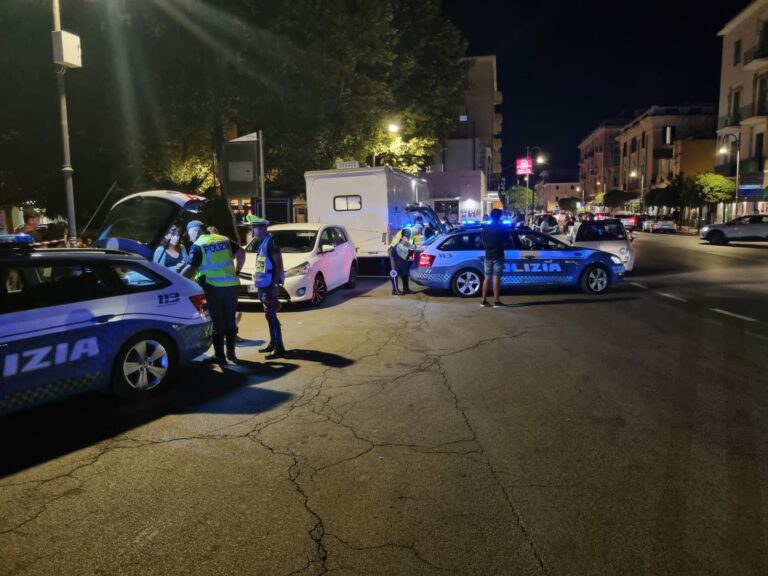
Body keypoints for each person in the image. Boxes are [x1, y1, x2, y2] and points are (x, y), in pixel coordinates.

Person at [180, 220, 245, 366]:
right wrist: (237, 271)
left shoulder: (198, 245)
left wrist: (177, 280)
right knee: (230, 320)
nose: (189, 237)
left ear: (195, 231)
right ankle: (232, 354)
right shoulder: (224, 239)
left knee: (217, 323)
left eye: (189, 233)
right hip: (232, 286)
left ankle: (220, 357)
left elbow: (191, 268)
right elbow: (241, 252)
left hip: (213, 287)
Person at [250, 217, 287, 359]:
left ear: (264, 228)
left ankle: (279, 347)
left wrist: (275, 284)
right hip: (263, 284)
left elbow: (278, 263)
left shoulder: (270, 241)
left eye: (257, 227)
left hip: (269, 284)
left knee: (271, 315)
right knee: (269, 315)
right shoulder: (262, 242)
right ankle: (273, 342)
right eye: (253, 227)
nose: (254, 230)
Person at [480, 208, 506, 308]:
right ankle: (496, 301)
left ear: (491, 216)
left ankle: (483, 300)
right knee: (496, 278)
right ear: (499, 216)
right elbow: (507, 241)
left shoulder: (485, 228)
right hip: (498, 255)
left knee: (487, 278)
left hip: (488, 255)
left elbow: (481, 240)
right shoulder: (502, 228)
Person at [389, 227, 414, 295]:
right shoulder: (408, 231)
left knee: (404, 270)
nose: (419, 233)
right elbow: (404, 242)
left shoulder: (411, 235)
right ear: (416, 229)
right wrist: (413, 247)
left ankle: (405, 289)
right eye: (419, 231)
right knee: (395, 270)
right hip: (394, 250)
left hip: (401, 252)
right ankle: (395, 290)